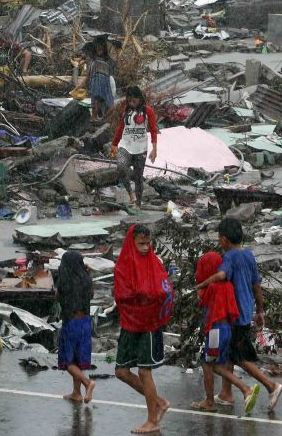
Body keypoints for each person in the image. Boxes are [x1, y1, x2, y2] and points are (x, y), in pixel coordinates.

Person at [196, 218, 282, 412]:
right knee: (229, 356)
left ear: (224, 239)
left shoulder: (229, 258)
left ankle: (271, 386)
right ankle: (226, 394)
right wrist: (260, 311)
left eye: (219, 238)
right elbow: (256, 285)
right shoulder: (248, 255)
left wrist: (202, 284)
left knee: (238, 357)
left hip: (232, 316)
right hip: (246, 312)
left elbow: (221, 276)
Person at [114, 225, 173, 434]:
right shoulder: (123, 265)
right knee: (121, 371)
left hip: (149, 323)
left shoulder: (153, 262)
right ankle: (160, 402)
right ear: (132, 243)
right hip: (130, 322)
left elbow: (164, 289)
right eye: (141, 243)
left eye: (148, 243)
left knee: (144, 371)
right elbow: (121, 294)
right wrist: (140, 294)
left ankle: (152, 420)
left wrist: (145, 295)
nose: (146, 247)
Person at [191, 251, 260, 414]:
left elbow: (203, 302)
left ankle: (218, 398)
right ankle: (241, 390)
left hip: (215, 331)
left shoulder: (212, 287)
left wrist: (200, 287)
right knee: (217, 365)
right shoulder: (228, 285)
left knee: (208, 364)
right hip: (228, 329)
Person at [55, 251, 96, 404]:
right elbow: (91, 295)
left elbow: (57, 297)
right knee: (77, 360)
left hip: (71, 324)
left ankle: (87, 383)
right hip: (85, 323)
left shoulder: (65, 281)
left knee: (68, 361)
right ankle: (76, 393)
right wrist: (88, 274)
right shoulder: (86, 280)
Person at [111, 86, 159, 207]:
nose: (131, 102)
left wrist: (154, 149)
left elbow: (153, 130)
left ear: (139, 98)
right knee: (121, 168)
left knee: (138, 177)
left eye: (134, 100)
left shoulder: (148, 111)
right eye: (129, 100)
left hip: (140, 148)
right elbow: (121, 127)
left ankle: (138, 203)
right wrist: (114, 144)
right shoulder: (126, 110)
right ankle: (130, 194)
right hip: (125, 145)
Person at [82, 39, 115, 120]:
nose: (100, 50)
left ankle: (103, 117)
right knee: (98, 100)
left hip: (104, 83)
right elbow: (89, 74)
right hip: (97, 82)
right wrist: (83, 83)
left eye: (101, 48)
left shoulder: (106, 60)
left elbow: (110, 73)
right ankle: (96, 117)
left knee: (102, 101)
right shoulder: (93, 60)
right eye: (98, 48)